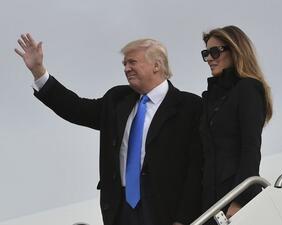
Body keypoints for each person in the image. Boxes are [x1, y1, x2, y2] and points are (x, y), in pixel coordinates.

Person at [15, 34, 202, 225]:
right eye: (124, 64)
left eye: (132, 62)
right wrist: (38, 71)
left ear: (157, 65)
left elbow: (195, 168)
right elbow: (76, 109)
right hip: (120, 208)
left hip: (164, 209)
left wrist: (183, 219)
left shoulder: (190, 106)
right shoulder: (117, 100)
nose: (127, 68)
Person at [199, 25, 273, 223]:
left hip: (236, 198)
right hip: (210, 201)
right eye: (206, 53)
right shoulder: (209, 99)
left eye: (215, 51)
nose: (210, 59)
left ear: (235, 50)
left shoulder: (248, 89)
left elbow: (250, 147)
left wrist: (240, 199)